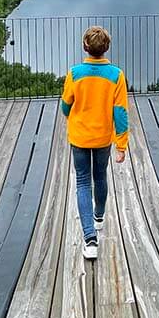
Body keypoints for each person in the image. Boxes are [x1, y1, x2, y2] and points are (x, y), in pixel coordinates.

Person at [59, 25, 129, 260]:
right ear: (107, 48)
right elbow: (120, 113)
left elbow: (65, 104)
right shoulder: (116, 75)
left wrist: (72, 115)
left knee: (82, 182)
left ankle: (89, 239)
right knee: (100, 176)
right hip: (102, 138)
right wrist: (121, 145)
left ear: (85, 47)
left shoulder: (74, 73)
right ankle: (99, 217)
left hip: (79, 136)